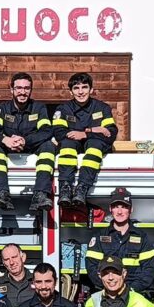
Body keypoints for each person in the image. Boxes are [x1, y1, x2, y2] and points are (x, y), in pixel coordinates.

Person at [0, 72, 55, 212]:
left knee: (48, 146)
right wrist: (5, 140)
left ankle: (40, 194)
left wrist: (25, 141)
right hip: (8, 146)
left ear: (31, 90)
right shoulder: (3, 108)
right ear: (12, 90)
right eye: (19, 88)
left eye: (26, 88)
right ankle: (0, 192)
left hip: (31, 146)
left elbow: (46, 131)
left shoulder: (39, 108)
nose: (22, 92)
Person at [51, 72, 119, 208]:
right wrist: (96, 130)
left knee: (95, 144)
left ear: (91, 89)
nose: (81, 92)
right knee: (67, 144)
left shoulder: (102, 108)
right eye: (76, 88)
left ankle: (82, 187)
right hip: (72, 146)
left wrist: (85, 133)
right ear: (71, 92)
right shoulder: (63, 109)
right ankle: (65, 186)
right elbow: (58, 132)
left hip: (94, 145)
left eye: (84, 87)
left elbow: (110, 134)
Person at [84, 188, 154, 293]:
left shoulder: (142, 237)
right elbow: (92, 267)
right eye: (116, 207)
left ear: (131, 210)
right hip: (106, 292)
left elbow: (149, 269)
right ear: (110, 209)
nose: (119, 211)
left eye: (124, 207)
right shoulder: (99, 236)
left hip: (133, 292)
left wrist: (131, 290)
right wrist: (109, 288)